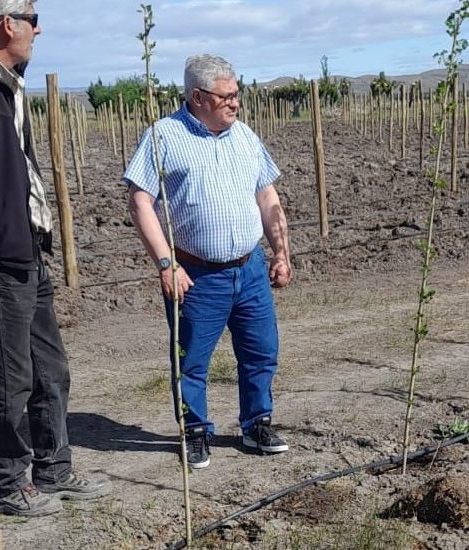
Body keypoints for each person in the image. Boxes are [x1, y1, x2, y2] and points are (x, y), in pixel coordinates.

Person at [0, 0, 111, 516]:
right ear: (6, 25)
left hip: (28, 250)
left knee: (51, 371)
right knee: (7, 378)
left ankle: (53, 468)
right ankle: (7, 485)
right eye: (31, 16)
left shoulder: (7, 80)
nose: (38, 28)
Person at [124, 54, 292, 469]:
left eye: (238, 94)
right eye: (227, 96)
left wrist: (281, 251)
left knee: (261, 350)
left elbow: (267, 197)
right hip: (196, 274)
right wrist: (166, 264)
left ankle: (257, 424)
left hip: (249, 267)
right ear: (198, 97)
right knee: (191, 359)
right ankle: (195, 431)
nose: (236, 103)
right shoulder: (163, 137)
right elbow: (140, 201)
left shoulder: (245, 137)